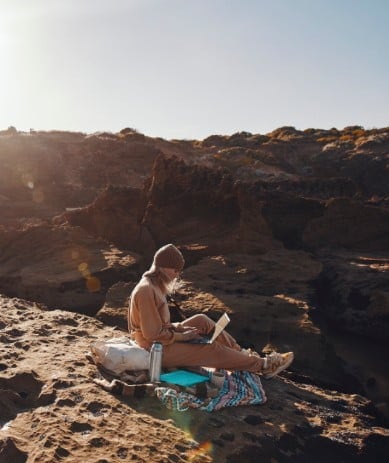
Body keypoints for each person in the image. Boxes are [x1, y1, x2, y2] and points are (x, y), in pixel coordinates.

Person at [128, 244, 294, 378]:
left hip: (161, 341)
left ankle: (241, 354)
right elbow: (151, 334)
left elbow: (159, 325)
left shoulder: (155, 285)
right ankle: (262, 366)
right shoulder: (146, 290)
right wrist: (182, 337)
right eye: (175, 270)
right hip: (153, 350)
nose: (177, 275)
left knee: (202, 320)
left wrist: (178, 327)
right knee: (211, 349)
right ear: (162, 267)